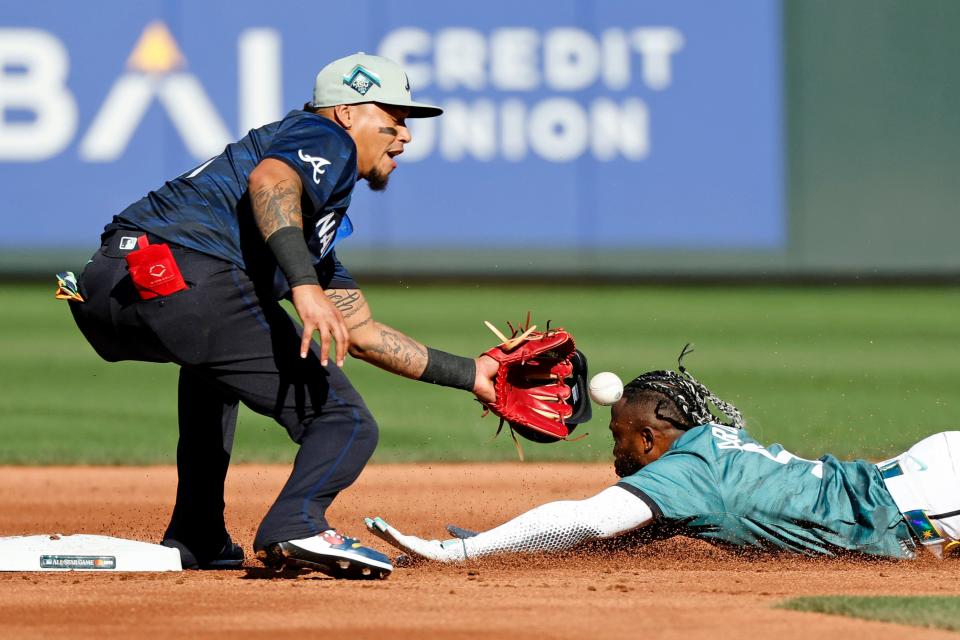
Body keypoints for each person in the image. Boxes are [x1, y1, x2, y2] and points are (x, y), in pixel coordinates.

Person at [68, 52, 497, 579]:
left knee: (212, 379)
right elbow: (271, 181)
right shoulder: (324, 137)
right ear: (346, 113)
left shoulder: (308, 224)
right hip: (182, 272)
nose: (404, 134)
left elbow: (358, 332)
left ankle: (198, 531)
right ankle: (297, 521)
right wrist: (303, 285)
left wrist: (471, 375)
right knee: (345, 420)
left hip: (108, 285)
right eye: (394, 116)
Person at [367, 355, 960, 562]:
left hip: (924, 504)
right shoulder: (709, 447)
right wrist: (505, 541)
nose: (615, 449)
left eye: (619, 436)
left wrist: (461, 552)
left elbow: (587, 519)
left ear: (649, 439)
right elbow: (605, 535)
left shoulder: (684, 474)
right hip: (922, 479)